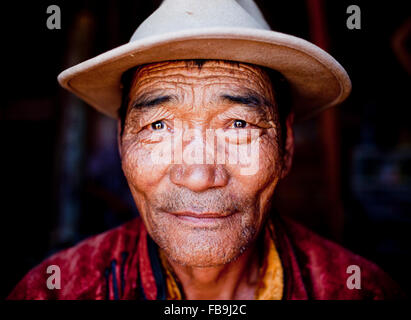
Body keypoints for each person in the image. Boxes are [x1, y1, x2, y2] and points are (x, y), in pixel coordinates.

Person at [8, 0, 404, 300]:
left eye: (238, 124)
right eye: (158, 125)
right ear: (121, 142)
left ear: (286, 148)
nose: (198, 176)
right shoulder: (55, 291)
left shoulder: (360, 291)